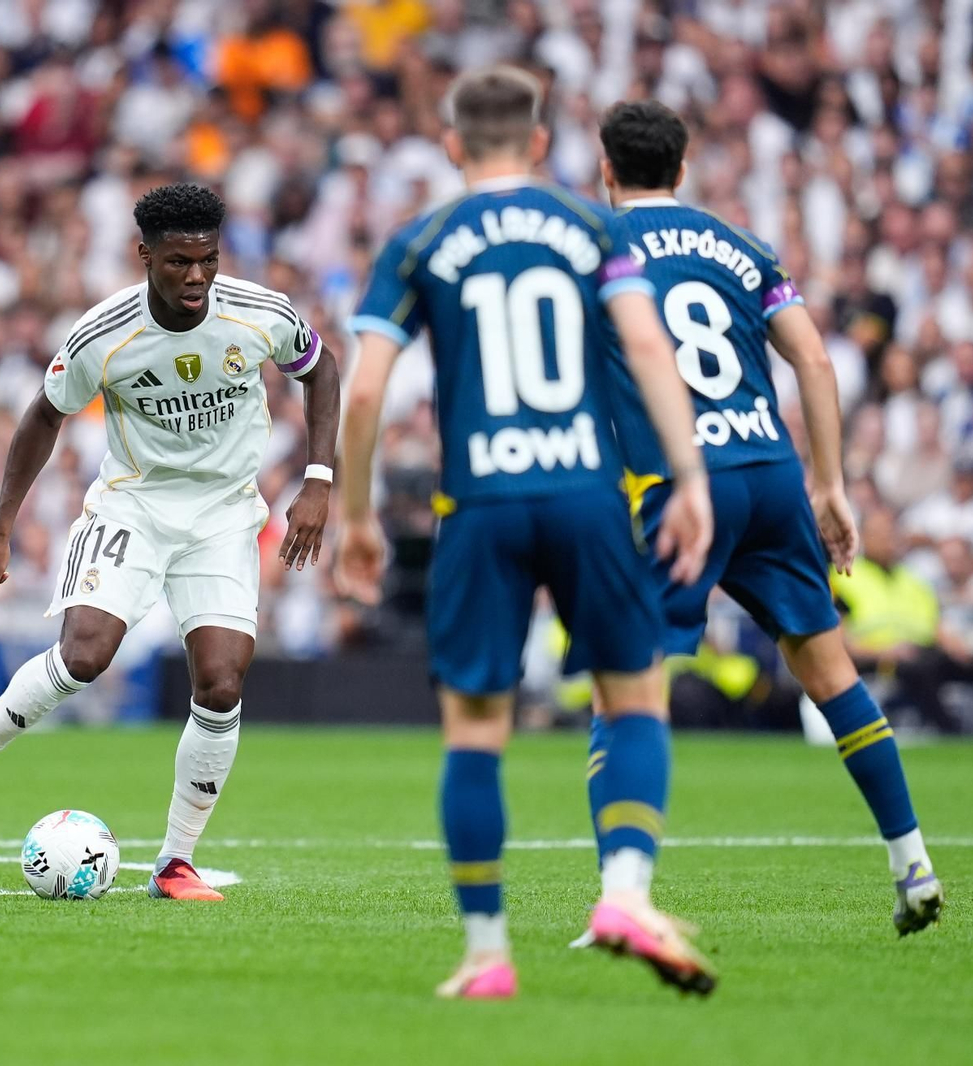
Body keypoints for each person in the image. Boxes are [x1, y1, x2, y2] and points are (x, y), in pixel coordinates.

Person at [336, 66, 716, 1000]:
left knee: (474, 732)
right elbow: (645, 345)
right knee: (634, 700)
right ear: (543, 143)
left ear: (453, 143)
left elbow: (371, 386)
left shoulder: (421, 241)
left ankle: (487, 953)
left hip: (482, 507)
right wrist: (690, 477)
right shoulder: (591, 227)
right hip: (588, 494)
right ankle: (625, 891)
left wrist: (353, 514)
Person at [0, 183, 341, 903]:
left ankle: (174, 864)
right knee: (85, 656)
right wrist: (1, 529)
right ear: (145, 257)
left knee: (222, 683)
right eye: (178, 262)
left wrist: (319, 479)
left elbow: (321, 370)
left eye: (208, 261)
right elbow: (44, 416)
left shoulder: (260, 313)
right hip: (134, 505)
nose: (196, 277)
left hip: (224, 516)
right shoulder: (104, 335)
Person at [598, 100, 943, 935]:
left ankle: (624, 899)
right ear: (682, 170)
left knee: (627, 693)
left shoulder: (598, 248)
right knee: (832, 677)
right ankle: (913, 863)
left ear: (607, 170)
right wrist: (830, 483)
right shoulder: (741, 246)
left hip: (684, 486)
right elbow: (816, 359)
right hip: (771, 470)